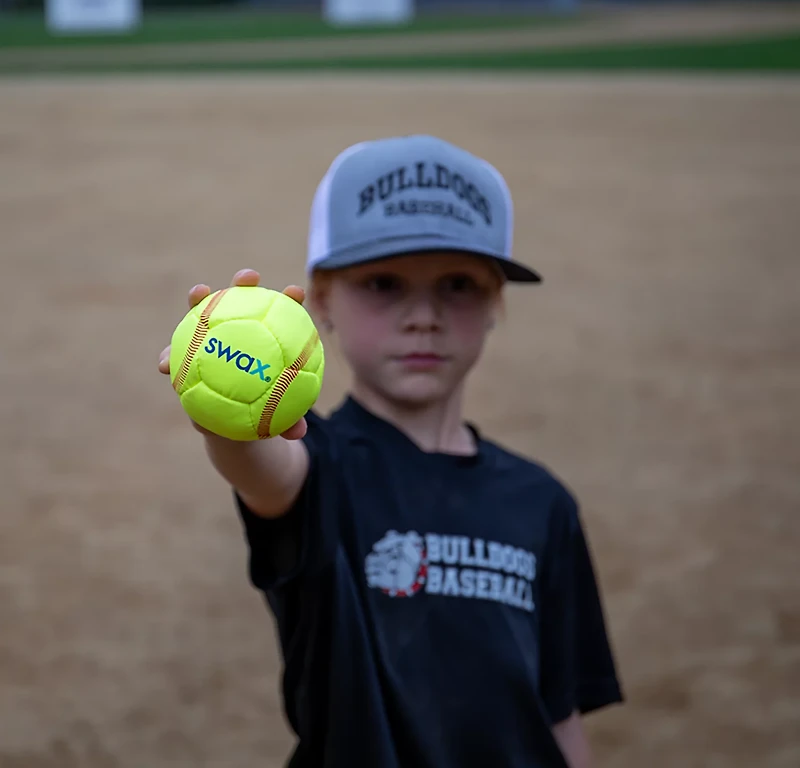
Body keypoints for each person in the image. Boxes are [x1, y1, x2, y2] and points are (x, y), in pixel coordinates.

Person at [158, 134, 624, 767]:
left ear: (496, 305)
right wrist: (232, 422)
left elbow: (560, 719)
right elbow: (268, 474)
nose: (423, 316)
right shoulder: (321, 466)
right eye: (382, 283)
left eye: (459, 284)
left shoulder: (541, 502)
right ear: (320, 300)